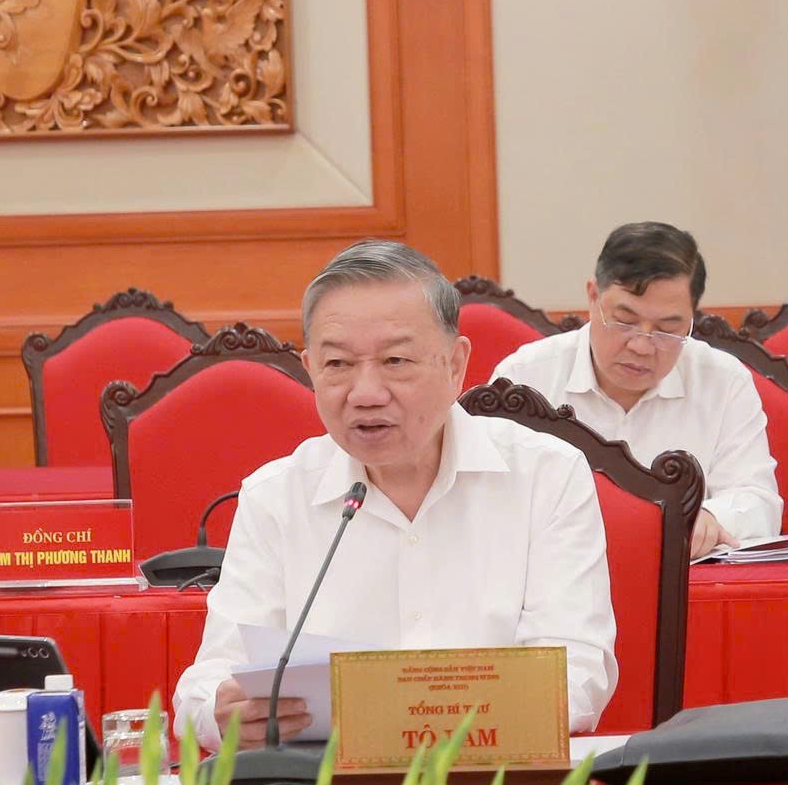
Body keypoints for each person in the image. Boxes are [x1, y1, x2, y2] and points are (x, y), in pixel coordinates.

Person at [174, 240, 618, 749]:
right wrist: (222, 712)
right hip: (320, 784)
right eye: (338, 364)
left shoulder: (547, 475)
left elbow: (578, 673)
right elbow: (207, 685)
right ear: (310, 368)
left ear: (455, 365)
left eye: (396, 360)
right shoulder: (275, 496)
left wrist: (417, 716)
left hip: (494, 772)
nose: (366, 393)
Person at [492, 222, 779, 555]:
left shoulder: (723, 382)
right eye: (625, 322)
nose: (642, 346)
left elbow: (760, 502)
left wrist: (711, 517)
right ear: (593, 296)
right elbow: (486, 499)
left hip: (680, 579)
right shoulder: (523, 378)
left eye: (667, 329)